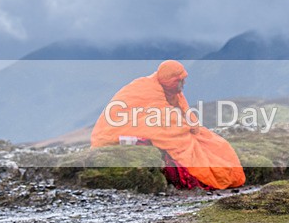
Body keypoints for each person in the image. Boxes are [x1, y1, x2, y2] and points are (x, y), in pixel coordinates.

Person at [91, 60, 245, 190]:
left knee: (213, 142)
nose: (184, 84)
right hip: (117, 130)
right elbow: (160, 117)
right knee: (187, 146)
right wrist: (184, 127)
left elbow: (183, 113)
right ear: (171, 81)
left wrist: (191, 127)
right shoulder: (146, 88)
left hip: (153, 125)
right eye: (180, 81)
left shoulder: (171, 90)